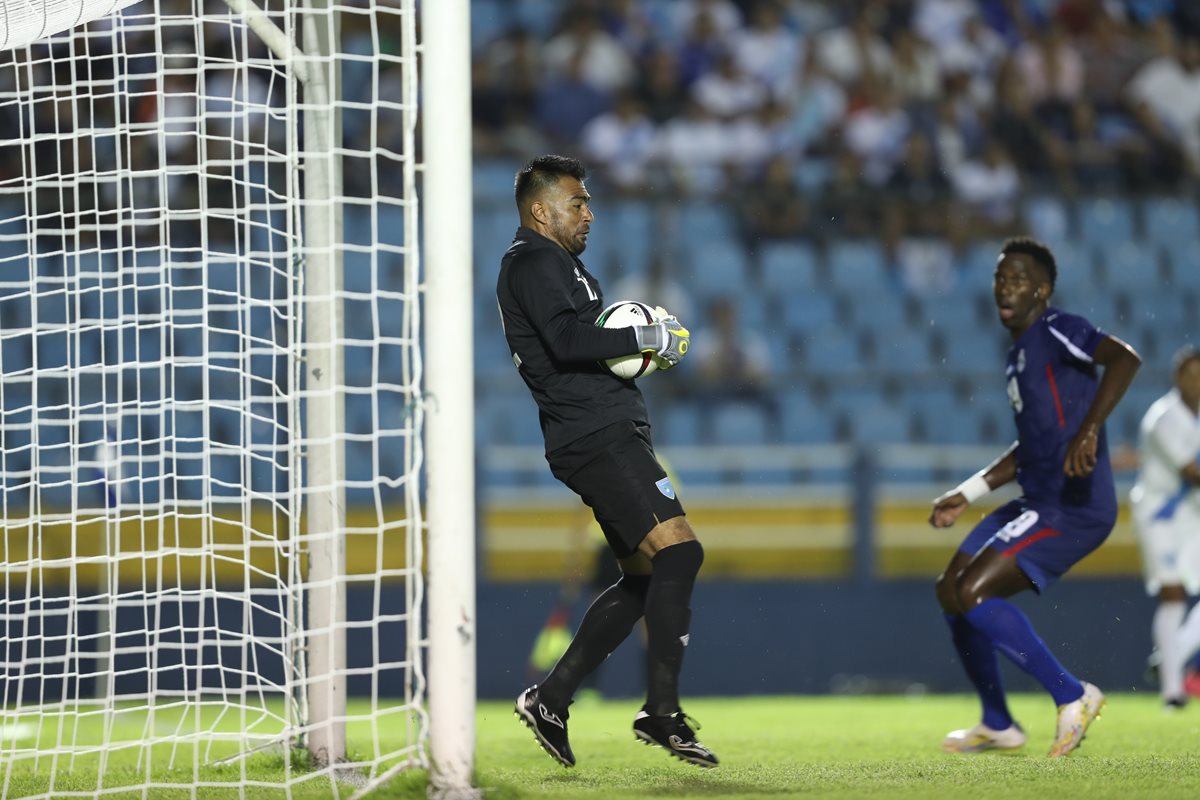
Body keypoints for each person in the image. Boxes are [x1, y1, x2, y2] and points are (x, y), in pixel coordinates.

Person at [498, 155, 717, 768]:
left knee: (646, 578)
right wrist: (643, 338)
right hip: (595, 434)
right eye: (577, 203)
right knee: (681, 552)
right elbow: (567, 342)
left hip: (600, 432)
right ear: (541, 210)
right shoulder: (535, 261)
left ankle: (552, 698)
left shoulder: (554, 262)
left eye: (588, 202)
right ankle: (662, 711)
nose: (588, 213)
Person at [929, 236, 1141, 756]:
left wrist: (1091, 430)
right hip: (1035, 499)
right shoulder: (1019, 355)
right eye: (1001, 278)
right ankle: (999, 723)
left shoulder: (1057, 329)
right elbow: (1034, 444)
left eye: (1019, 279)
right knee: (950, 588)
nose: (1006, 287)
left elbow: (1125, 359)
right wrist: (970, 491)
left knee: (976, 593)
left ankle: (1073, 696)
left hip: (1073, 507)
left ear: (1042, 290)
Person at [1131, 346, 1200, 708]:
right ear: (1176, 378)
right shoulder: (1165, 418)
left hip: (1191, 514)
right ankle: (1172, 691)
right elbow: (1192, 473)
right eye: (1188, 374)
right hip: (1160, 516)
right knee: (1172, 595)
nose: (1195, 382)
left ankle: (1172, 655)